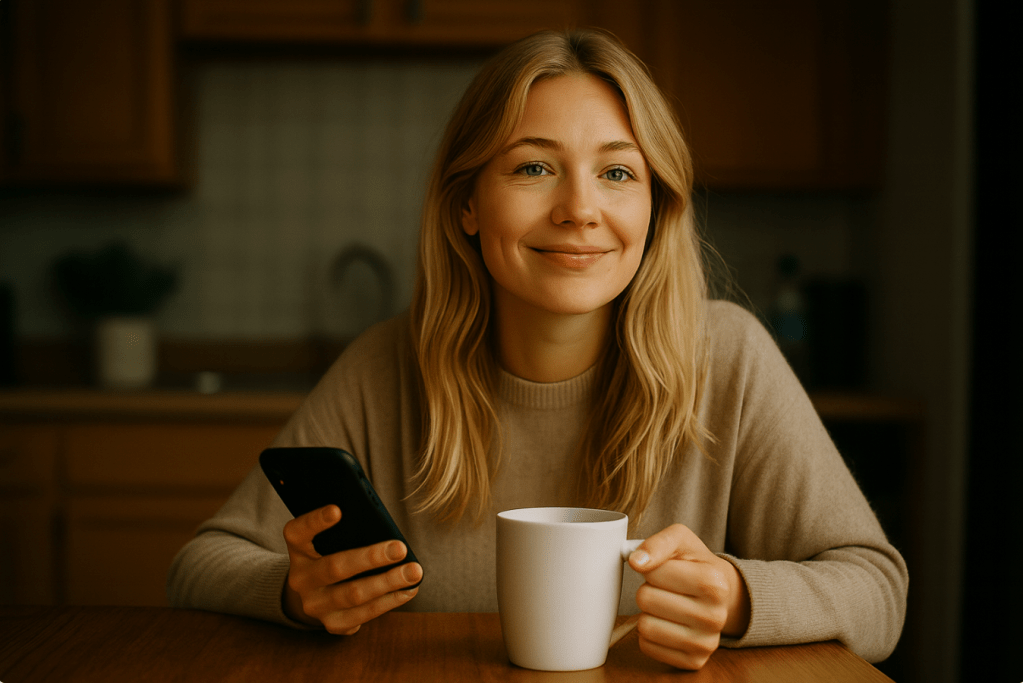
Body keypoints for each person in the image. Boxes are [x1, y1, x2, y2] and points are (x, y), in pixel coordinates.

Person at [167, 28, 907, 670]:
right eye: (532, 167)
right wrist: (294, 593)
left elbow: (878, 593)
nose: (580, 209)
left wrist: (740, 597)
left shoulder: (728, 355)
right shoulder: (386, 363)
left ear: (654, 209)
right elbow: (198, 566)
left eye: (617, 172)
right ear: (466, 202)